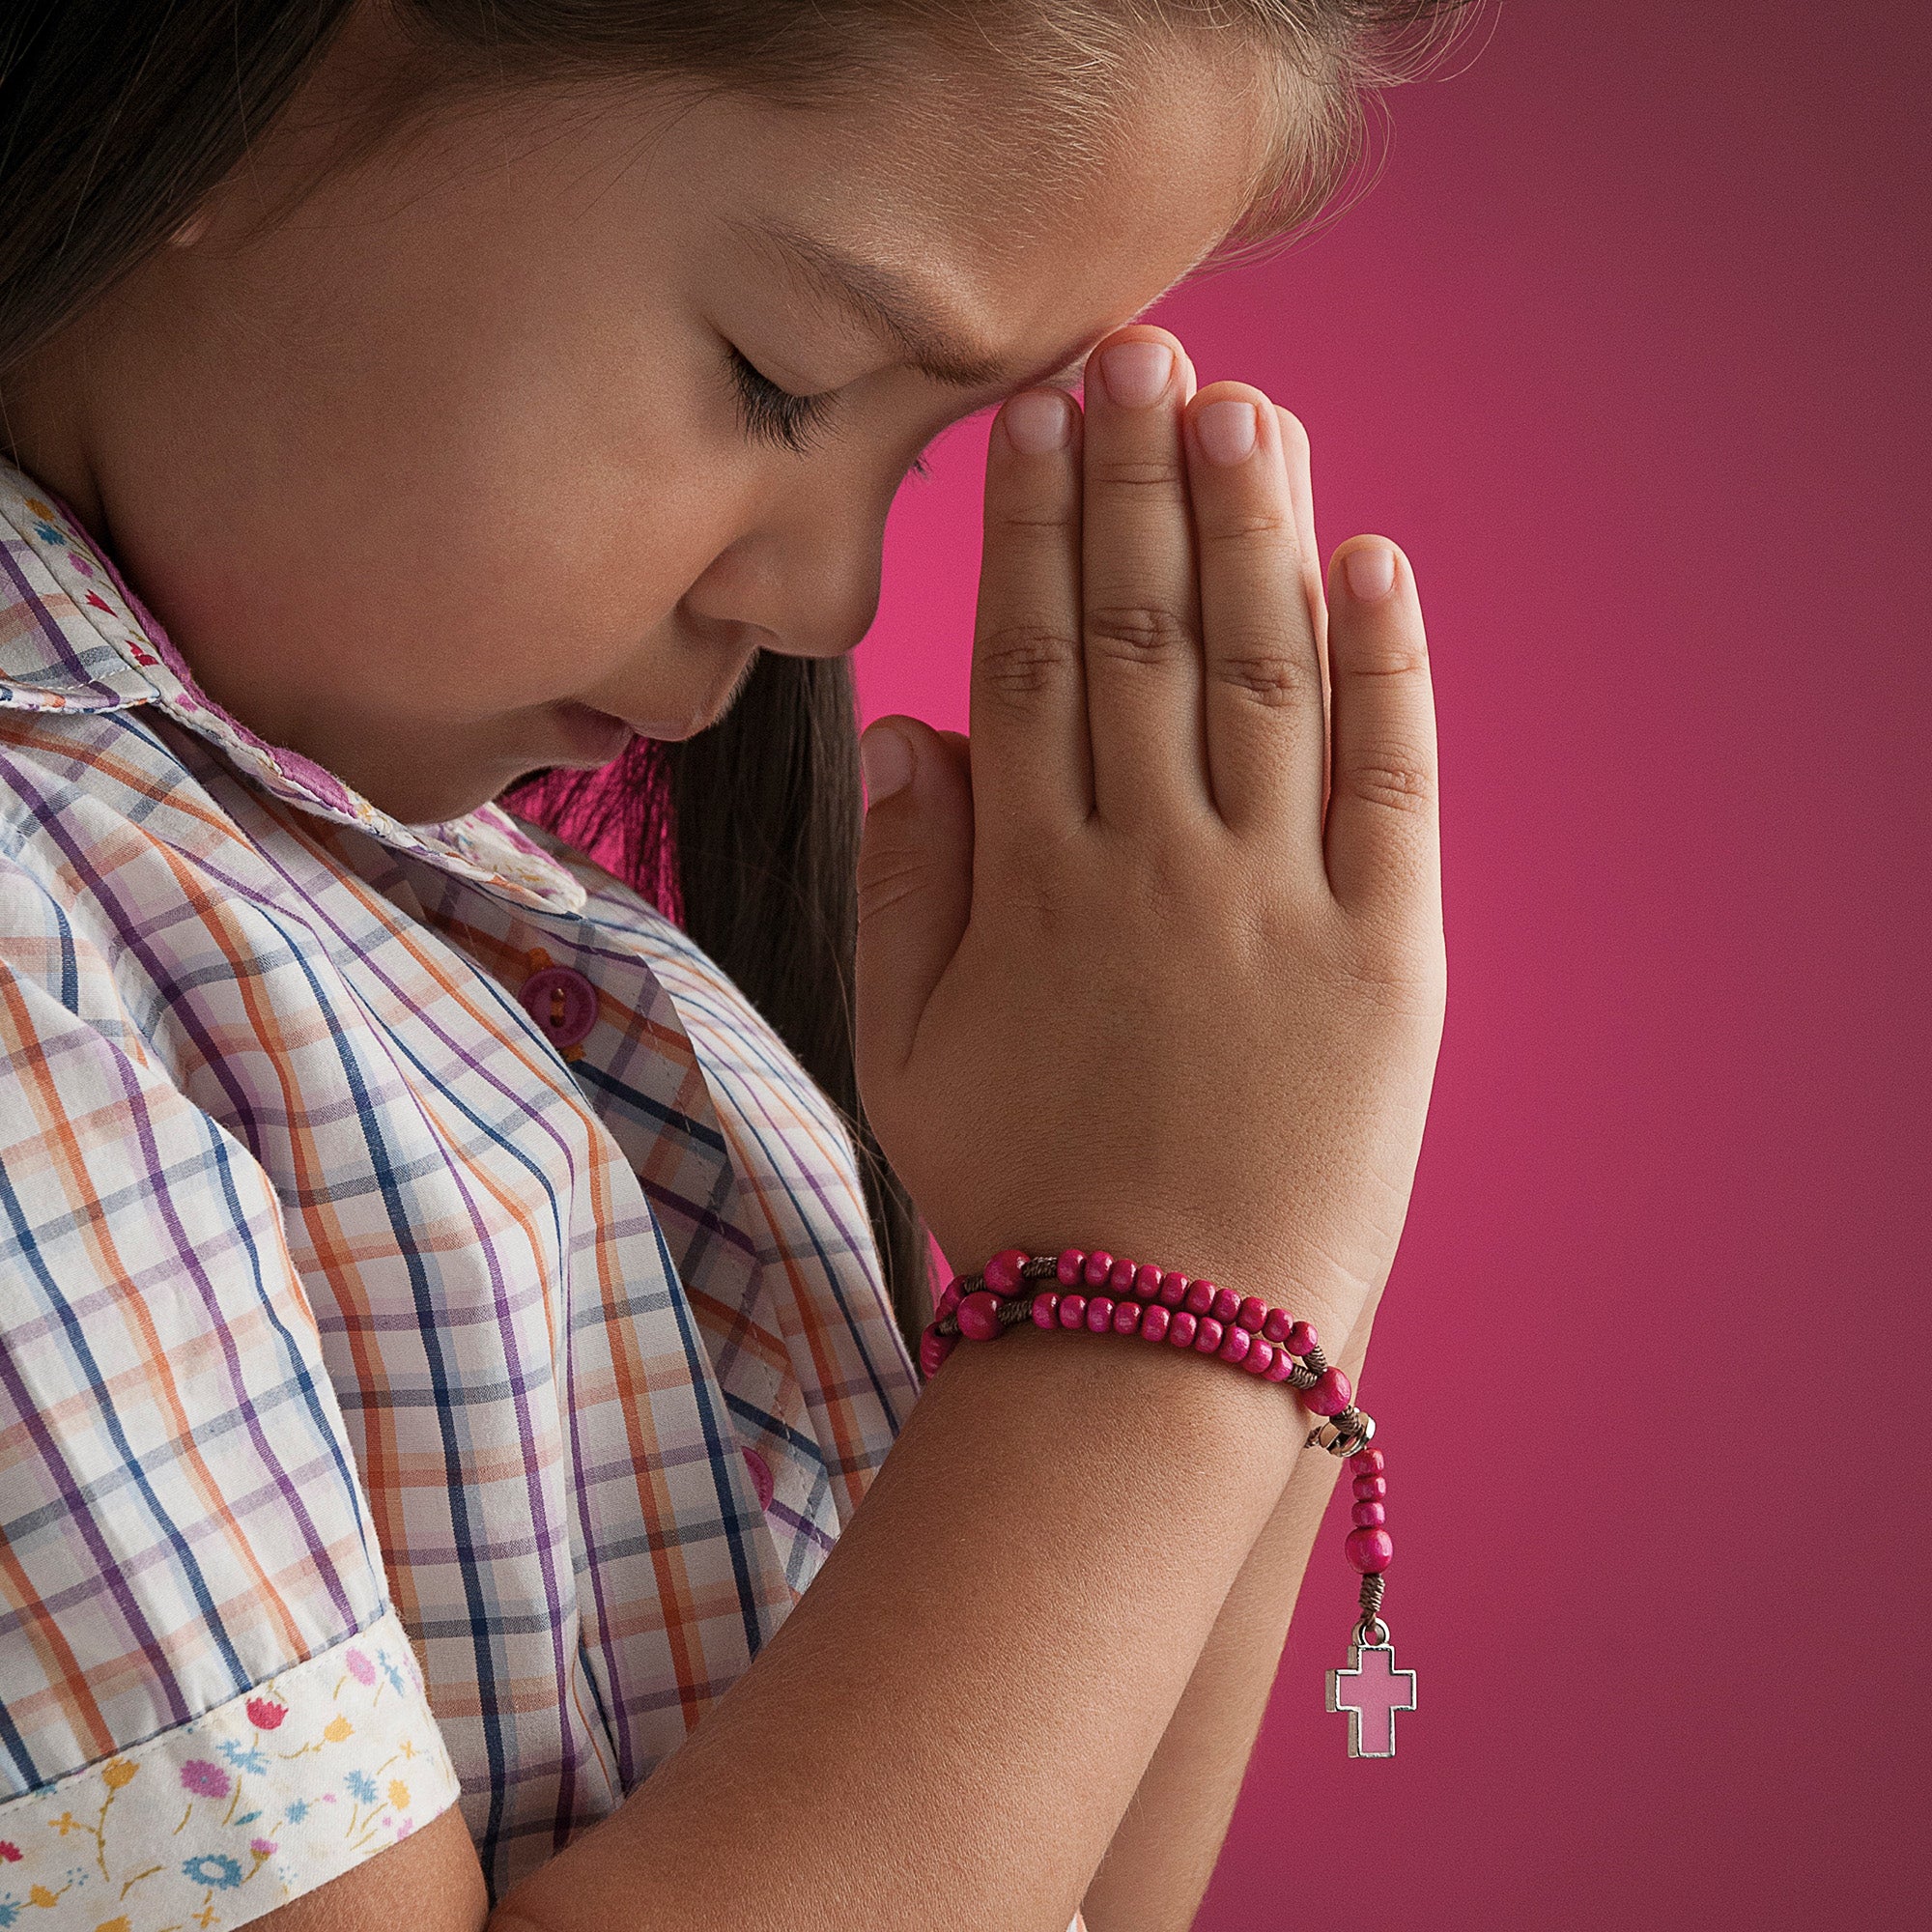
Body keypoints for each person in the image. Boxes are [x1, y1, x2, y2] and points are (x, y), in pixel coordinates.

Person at [0, 1, 1456, 1926]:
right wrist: (1153, 1306)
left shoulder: (494, 936)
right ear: (249, 73)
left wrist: (1242, 1270)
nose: (827, 598)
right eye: (782, 380)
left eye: (915, 462)